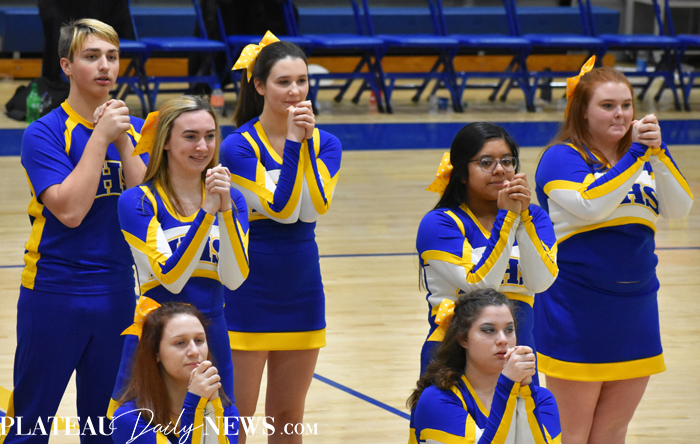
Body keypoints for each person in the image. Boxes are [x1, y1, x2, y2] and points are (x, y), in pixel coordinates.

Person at [533, 57, 693, 444]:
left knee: (612, 432)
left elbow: (680, 208)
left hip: (636, 310)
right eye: (607, 106)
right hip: (577, 309)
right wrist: (636, 155)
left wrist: (660, 153)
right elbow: (590, 204)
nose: (620, 114)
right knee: (572, 434)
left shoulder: (642, 158)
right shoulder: (561, 158)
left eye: (626, 105)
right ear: (582, 112)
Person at [7, 19, 146, 444]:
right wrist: (101, 138)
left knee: (105, 427)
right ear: (66, 65)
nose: (104, 66)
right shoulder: (43, 133)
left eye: (112, 57)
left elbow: (149, 209)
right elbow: (69, 211)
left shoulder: (136, 131)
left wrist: (123, 141)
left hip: (118, 294)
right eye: (91, 56)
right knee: (30, 425)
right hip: (54, 293)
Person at [220, 32, 341, 443]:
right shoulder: (237, 146)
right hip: (248, 289)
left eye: (302, 81)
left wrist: (303, 144)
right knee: (236, 415)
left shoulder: (328, 144)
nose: (295, 91)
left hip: (301, 289)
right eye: (283, 82)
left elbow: (313, 209)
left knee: (288, 418)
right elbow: (283, 210)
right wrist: (294, 143)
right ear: (259, 86)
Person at [109, 95, 250, 417]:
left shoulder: (233, 199)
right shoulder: (137, 201)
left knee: (215, 433)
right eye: (190, 136)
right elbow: (171, 279)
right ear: (165, 142)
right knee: (142, 433)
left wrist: (226, 213)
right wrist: (206, 214)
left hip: (210, 338)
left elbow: (234, 278)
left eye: (210, 136)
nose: (202, 147)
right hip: (156, 340)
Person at [416, 122, 558, 378]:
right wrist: (508, 218)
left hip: (518, 357)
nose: (500, 169)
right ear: (462, 173)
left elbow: (540, 282)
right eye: (486, 163)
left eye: (507, 161)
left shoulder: (534, 217)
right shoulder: (439, 223)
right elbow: (480, 284)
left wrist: (523, 218)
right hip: (454, 359)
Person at [407, 289, 561, 444]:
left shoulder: (542, 399)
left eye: (509, 330)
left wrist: (526, 391)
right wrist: (507, 385)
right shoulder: (437, 401)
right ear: (463, 338)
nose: (503, 339)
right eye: (488, 330)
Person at [111, 302, 239, 444]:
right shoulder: (128, 419)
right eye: (180, 343)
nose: (194, 351)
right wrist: (194, 403)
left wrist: (210, 410)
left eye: (199, 340)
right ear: (155, 352)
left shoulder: (227, 411)